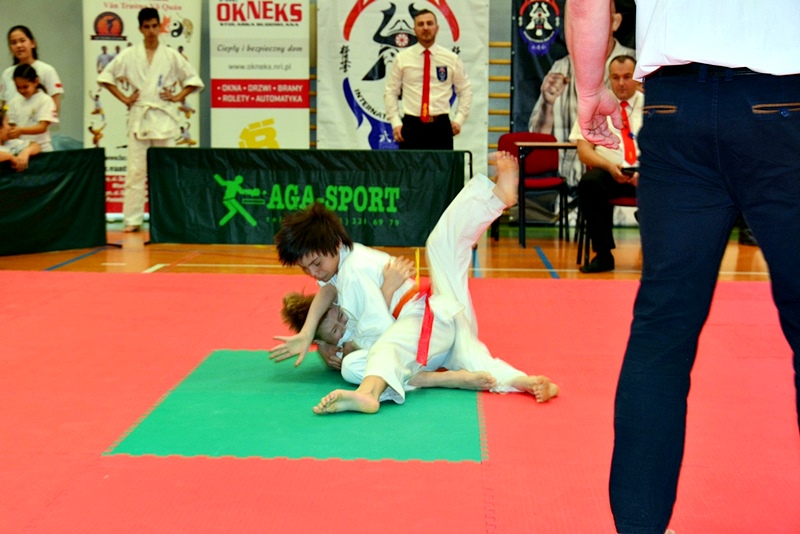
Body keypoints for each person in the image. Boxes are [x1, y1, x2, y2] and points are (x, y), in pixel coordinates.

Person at [566, 0, 800, 532]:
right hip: (784, 99)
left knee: (662, 333)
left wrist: (589, 91)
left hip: (676, 111)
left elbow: (585, 5)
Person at [270, 152, 558, 413]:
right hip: (435, 330)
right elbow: (327, 291)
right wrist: (308, 333)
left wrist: (350, 344)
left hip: (426, 320)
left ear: (334, 244)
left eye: (316, 264)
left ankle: (369, 394)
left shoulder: (353, 270)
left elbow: (380, 331)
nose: (314, 273)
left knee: (380, 350)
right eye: (305, 269)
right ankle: (524, 381)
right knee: (443, 256)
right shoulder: (340, 268)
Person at [97, 7, 204, 233]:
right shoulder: (129, 54)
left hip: (163, 117)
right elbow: (106, 77)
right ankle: (132, 219)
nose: (151, 31)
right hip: (140, 118)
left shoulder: (171, 55)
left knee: (167, 170)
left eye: (155, 26)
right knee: (136, 171)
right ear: (140, 29)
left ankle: (170, 218)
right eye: (147, 27)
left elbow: (194, 80)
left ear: (160, 27)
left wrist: (178, 96)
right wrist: (125, 98)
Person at [528, 2, 633, 187]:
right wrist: (547, 104)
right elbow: (536, 137)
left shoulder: (636, 64)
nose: (585, 26)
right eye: (578, 21)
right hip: (572, 183)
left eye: (595, 18)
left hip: (627, 173)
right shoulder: (561, 67)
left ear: (615, 22)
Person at [569, 55, 642, 273]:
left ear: (637, 78)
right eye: (616, 77)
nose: (621, 83)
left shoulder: (653, 105)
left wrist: (646, 171)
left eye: (627, 77)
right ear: (608, 78)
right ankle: (603, 255)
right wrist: (610, 167)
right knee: (589, 183)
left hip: (645, 174)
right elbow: (584, 151)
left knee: (669, 183)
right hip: (609, 172)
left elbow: (666, 148)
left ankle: (658, 253)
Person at [384, 9, 472, 150]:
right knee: (410, 165)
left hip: (441, 126)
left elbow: (465, 90)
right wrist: (395, 122)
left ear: (437, 28)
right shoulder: (402, 59)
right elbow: (391, 91)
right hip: (411, 126)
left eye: (429, 23)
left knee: (442, 165)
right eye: (421, 24)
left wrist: (459, 119)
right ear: (414, 29)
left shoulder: (451, 59)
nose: (425, 27)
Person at [1, 26, 63, 114]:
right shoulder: (7, 73)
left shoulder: (47, 70)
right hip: (11, 122)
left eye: (22, 41)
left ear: (32, 43)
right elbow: (4, 104)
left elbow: (54, 105)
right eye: (14, 43)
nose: (18, 45)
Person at [6, 64, 58, 152]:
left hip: (42, 149)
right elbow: (11, 124)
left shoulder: (45, 100)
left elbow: (42, 127)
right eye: (18, 87)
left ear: (36, 82)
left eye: (25, 87)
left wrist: (20, 130)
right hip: (21, 149)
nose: (22, 90)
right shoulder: (14, 102)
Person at [0, 107, 41, 172]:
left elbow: (36, 146)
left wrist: (26, 151)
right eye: (7, 123)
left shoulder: (10, 142)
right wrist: (10, 157)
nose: (10, 127)